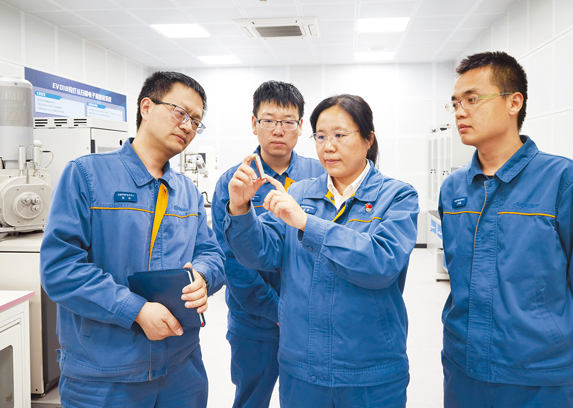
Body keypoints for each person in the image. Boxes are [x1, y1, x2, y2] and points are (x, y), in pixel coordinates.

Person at [40, 71, 225, 407]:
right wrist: (135, 310)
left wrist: (203, 276)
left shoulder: (186, 191)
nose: (187, 126)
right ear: (146, 107)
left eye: (196, 121)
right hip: (105, 374)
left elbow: (211, 253)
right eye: (180, 112)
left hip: (181, 369)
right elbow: (60, 269)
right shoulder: (86, 175)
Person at [223, 94, 419, 407]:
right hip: (302, 368)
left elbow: (381, 263)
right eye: (321, 136)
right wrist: (240, 209)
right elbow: (260, 254)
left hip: (370, 371)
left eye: (340, 135)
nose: (328, 146)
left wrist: (306, 223)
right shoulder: (300, 193)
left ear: (368, 139)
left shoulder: (397, 196)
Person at [439, 51, 573, 408]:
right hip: (463, 369)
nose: (460, 112)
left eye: (472, 99)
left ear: (514, 102)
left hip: (539, 379)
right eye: (455, 103)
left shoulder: (566, 182)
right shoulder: (453, 189)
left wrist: (551, 347)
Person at [211, 80, 325, 408]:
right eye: (269, 120)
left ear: (300, 127)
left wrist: (298, 310)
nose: (278, 130)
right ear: (254, 124)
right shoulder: (234, 182)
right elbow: (230, 258)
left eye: (288, 121)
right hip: (253, 321)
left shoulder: (319, 176)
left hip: (308, 319)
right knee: (251, 398)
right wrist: (275, 309)